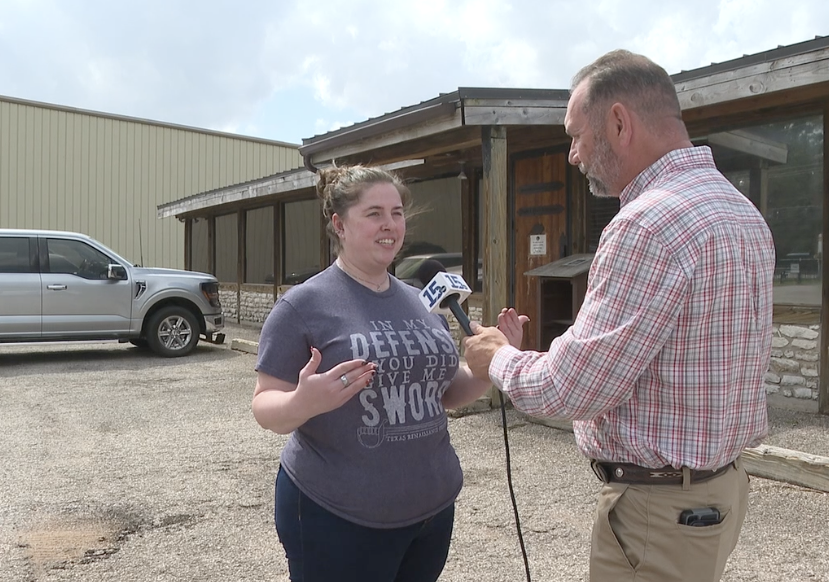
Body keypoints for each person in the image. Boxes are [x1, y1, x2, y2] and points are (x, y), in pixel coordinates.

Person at [463, 49, 776, 582]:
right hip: (716, 494)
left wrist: (498, 356)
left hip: (658, 514)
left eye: (576, 135)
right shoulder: (739, 209)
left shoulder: (646, 224)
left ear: (618, 122)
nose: (572, 155)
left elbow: (573, 388)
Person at [252, 164, 495, 582]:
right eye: (374, 213)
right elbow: (264, 404)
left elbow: (444, 392)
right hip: (335, 516)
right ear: (339, 224)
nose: (390, 225)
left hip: (430, 514)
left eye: (397, 213)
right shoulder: (303, 306)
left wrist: (488, 370)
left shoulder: (423, 302)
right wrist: (302, 402)